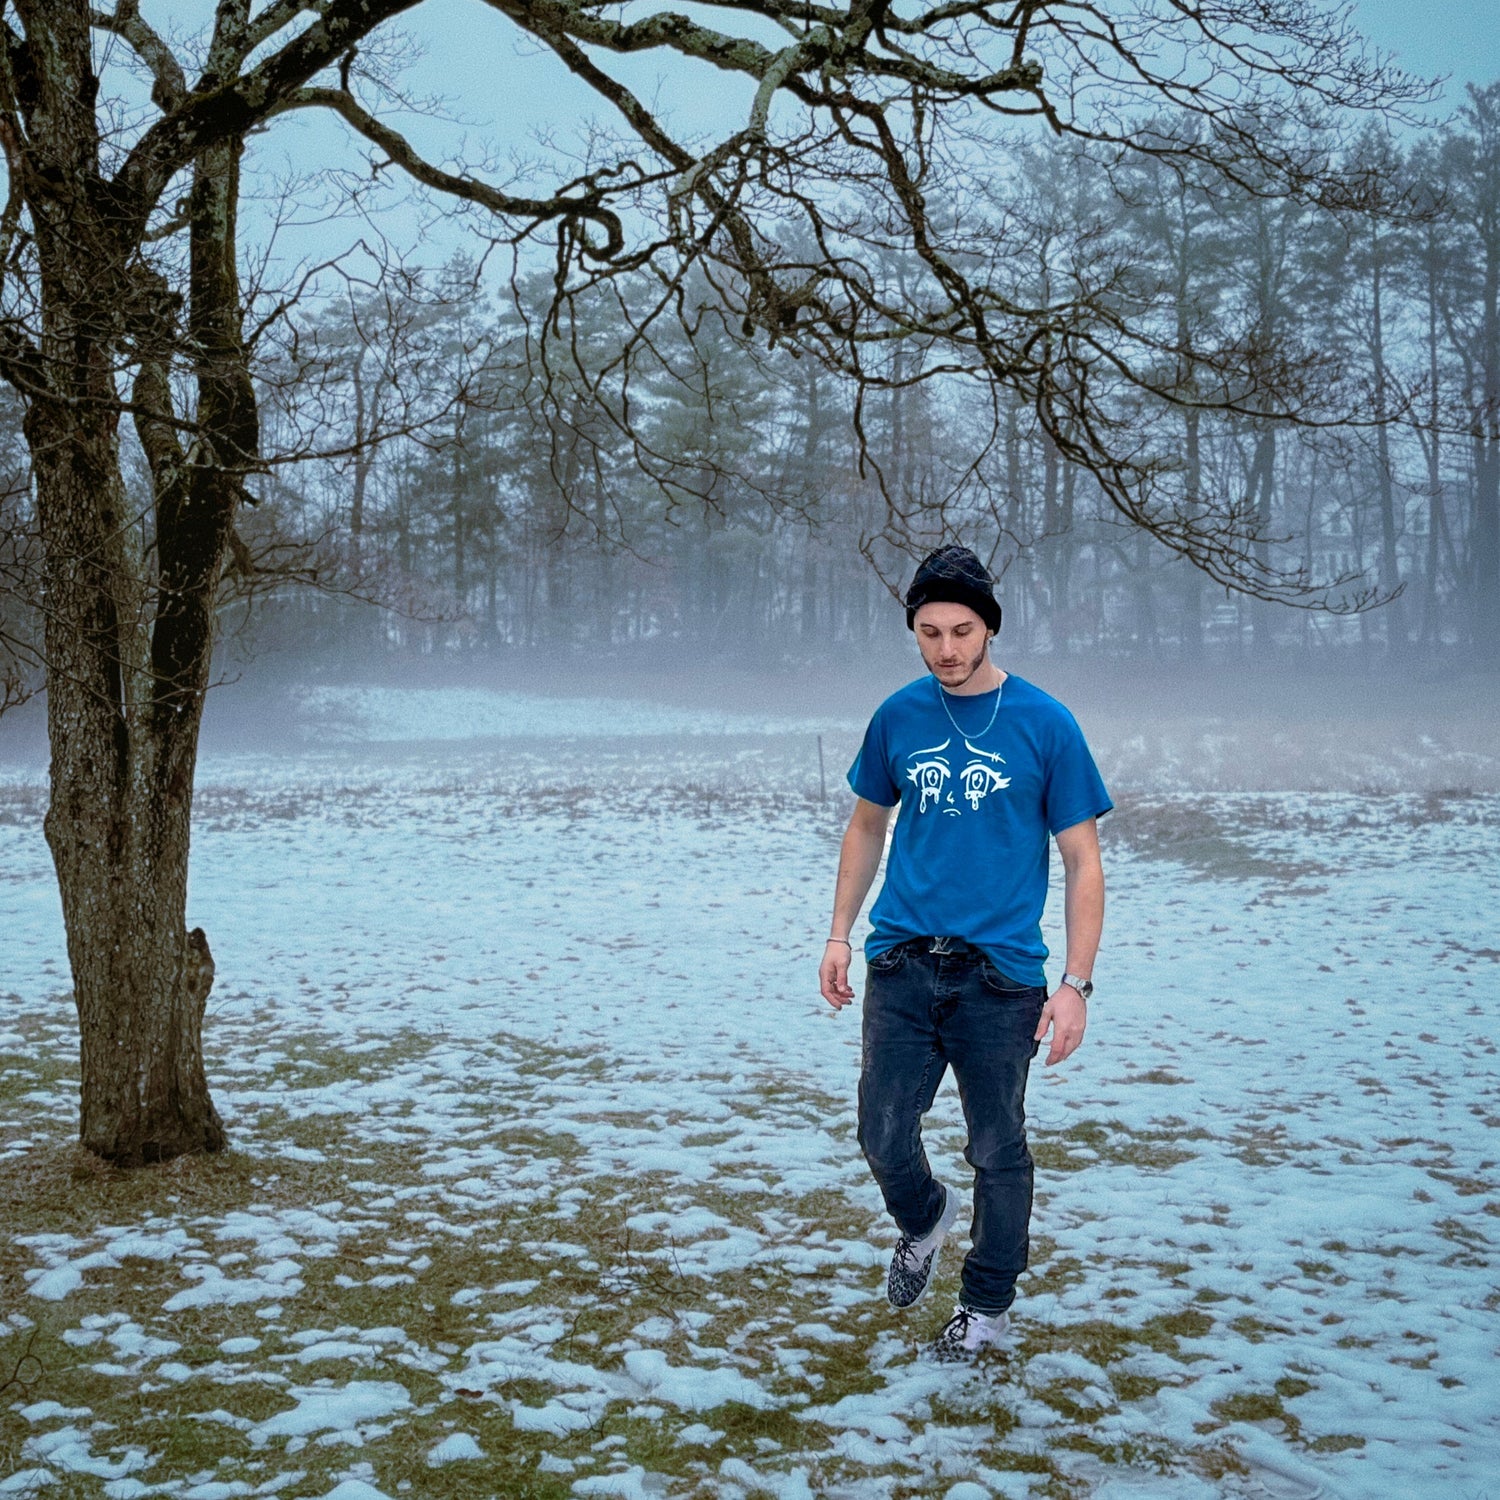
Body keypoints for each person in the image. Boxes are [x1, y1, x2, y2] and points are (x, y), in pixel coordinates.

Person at [818, 545, 1110, 1361]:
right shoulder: (898, 716)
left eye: (962, 630)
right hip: (903, 961)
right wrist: (839, 933)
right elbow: (866, 825)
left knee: (997, 1146)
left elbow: (1084, 861)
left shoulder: (1045, 724)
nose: (946, 648)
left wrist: (1077, 984)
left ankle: (985, 1312)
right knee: (881, 1131)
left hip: (1001, 975)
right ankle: (923, 1219)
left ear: (990, 629)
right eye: (929, 631)